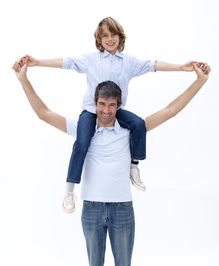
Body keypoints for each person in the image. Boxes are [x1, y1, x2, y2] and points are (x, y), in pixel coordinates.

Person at [12, 59, 210, 266]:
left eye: (112, 106)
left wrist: (199, 82)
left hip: (122, 211)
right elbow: (43, 113)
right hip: (91, 209)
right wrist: (23, 80)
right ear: (95, 104)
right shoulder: (83, 130)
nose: (106, 111)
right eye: (102, 105)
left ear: (118, 106)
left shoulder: (129, 130)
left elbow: (169, 111)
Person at [18, 16, 207, 214]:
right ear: (99, 39)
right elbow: (66, 63)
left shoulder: (129, 62)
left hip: (116, 112)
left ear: (120, 37)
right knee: (82, 142)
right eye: (105, 35)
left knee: (138, 124)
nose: (109, 39)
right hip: (92, 112)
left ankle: (134, 166)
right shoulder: (90, 59)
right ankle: (69, 188)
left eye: (113, 34)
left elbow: (154, 66)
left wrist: (181, 67)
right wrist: (37, 62)